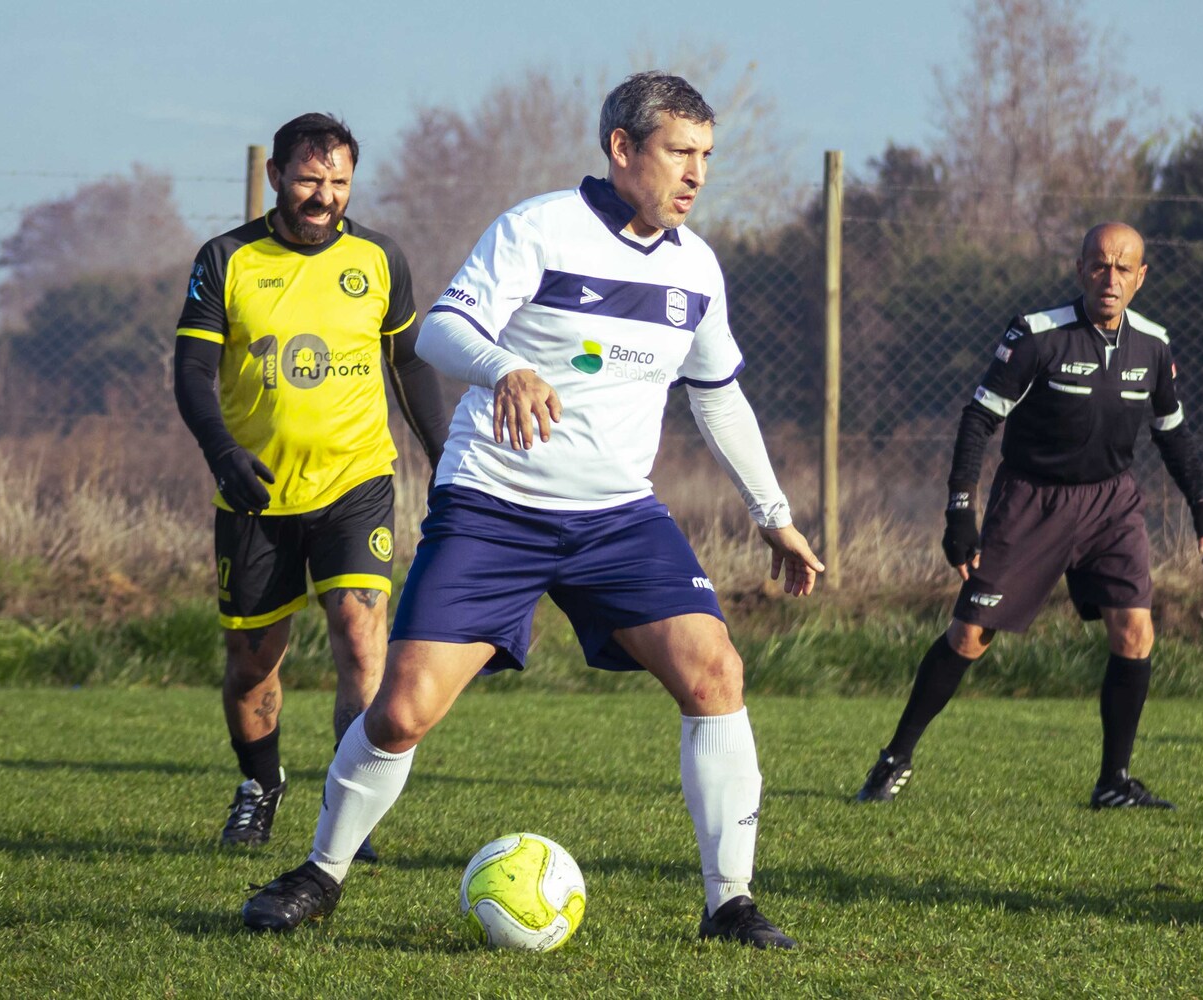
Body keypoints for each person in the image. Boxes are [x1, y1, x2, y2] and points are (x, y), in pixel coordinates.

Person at [238, 72, 825, 949]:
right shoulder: (539, 229)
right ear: (622, 148)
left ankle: (729, 903)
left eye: (706, 155)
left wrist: (772, 512)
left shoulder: (696, 268)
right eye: (679, 152)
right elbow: (441, 330)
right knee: (400, 712)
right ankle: (321, 873)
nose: (697, 173)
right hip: (494, 507)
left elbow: (717, 395)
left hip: (618, 519)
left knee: (716, 675)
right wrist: (504, 367)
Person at [855, 222, 1203, 809]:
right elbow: (979, 419)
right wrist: (960, 511)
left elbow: (1172, 432)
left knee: (1135, 633)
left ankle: (1114, 782)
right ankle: (894, 759)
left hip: (1112, 504)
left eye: (1123, 268)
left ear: (1140, 277)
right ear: (1080, 269)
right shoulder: (1036, 335)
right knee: (970, 636)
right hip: (1033, 501)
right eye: (1099, 265)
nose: (1110, 279)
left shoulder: (1153, 344)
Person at [173, 113, 449, 853]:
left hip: (357, 480)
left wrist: (445, 455)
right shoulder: (226, 258)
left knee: (361, 637)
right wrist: (223, 453)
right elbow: (193, 370)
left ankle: (351, 808)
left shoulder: (378, 259)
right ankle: (259, 785)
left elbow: (409, 364)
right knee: (251, 663)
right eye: (307, 180)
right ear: (275, 176)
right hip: (255, 493)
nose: (324, 196)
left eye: (339, 182)